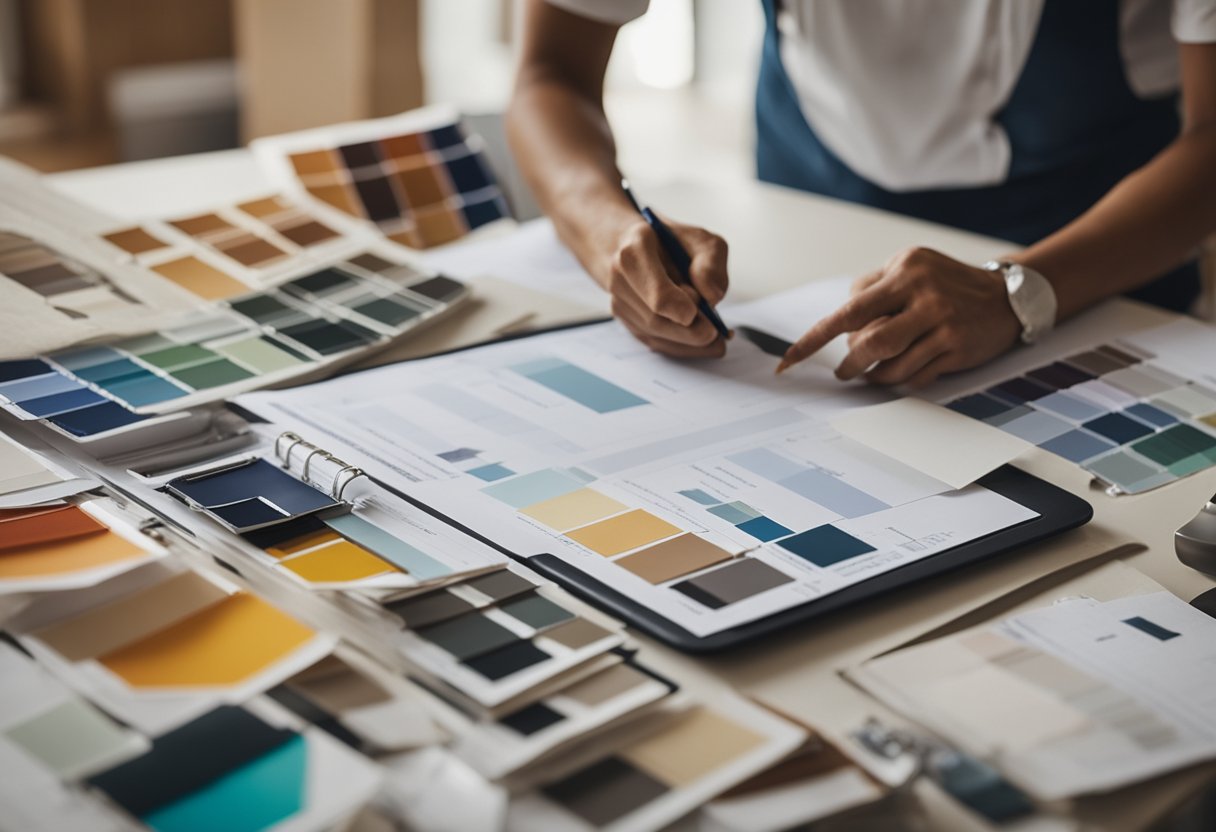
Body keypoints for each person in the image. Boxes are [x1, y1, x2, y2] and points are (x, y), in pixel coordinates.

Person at [506, 0, 1216, 386]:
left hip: (1092, 279)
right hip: (802, 250)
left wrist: (1024, 291)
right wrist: (609, 235)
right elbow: (550, 73)